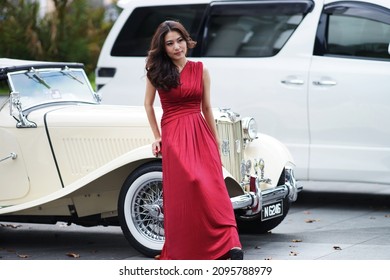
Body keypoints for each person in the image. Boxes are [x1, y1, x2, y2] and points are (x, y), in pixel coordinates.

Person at [144, 20, 243, 260]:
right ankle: (190, 249)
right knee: (192, 185)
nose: (177, 47)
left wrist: (215, 139)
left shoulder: (201, 69)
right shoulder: (156, 71)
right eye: (170, 43)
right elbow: (148, 105)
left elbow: (207, 107)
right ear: (163, 47)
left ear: (186, 40)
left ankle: (230, 243)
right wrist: (157, 136)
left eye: (179, 41)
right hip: (174, 133)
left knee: (214, 187)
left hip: (200, 130)